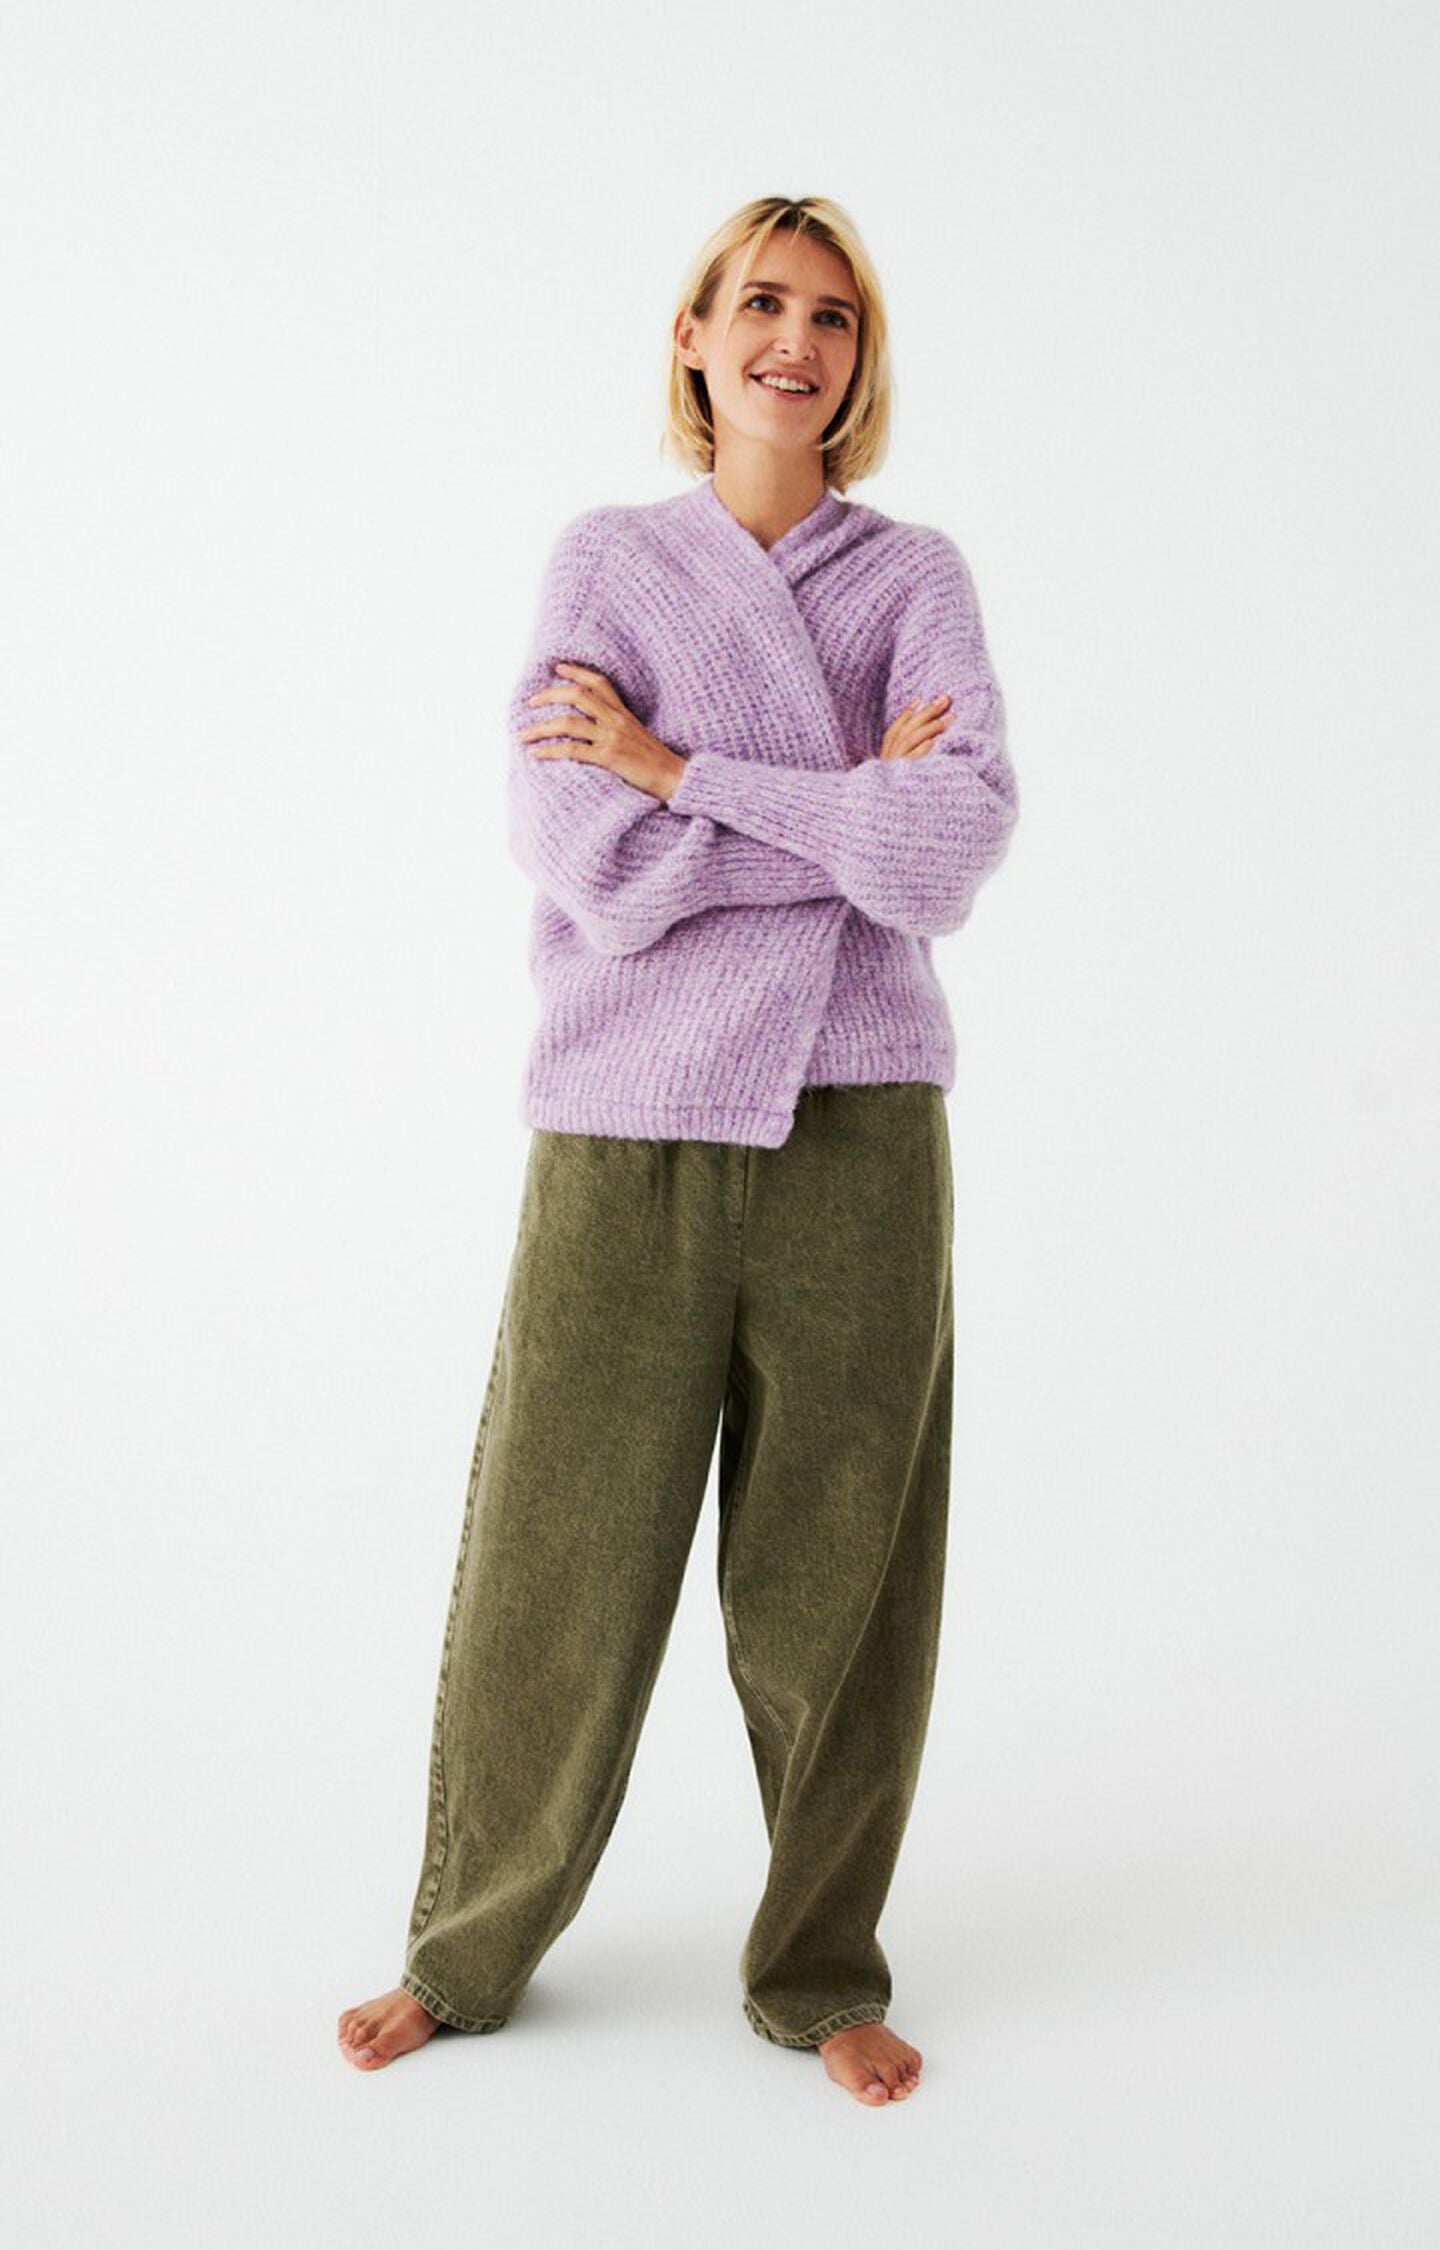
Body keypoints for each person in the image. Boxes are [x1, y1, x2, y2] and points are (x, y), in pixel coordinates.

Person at [338, 194, 1019, 2106]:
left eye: (835, 315)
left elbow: (949, 850)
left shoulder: (918, 578)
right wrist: (838, 811)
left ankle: (821, 1965)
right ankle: (466, 1946)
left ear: (861, 359)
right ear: (696, 336)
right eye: (763, 305)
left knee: (845, 1576)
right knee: (557, 1552)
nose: (797, 340)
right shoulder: (611, 562)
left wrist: (682, 768)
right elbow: (592, 863)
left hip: (859, 1128)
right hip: (623, 1127)